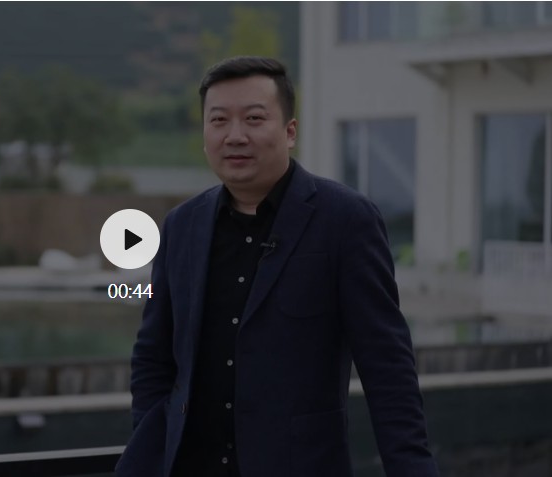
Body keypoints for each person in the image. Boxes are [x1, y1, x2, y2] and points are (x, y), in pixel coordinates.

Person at [115, 56, 439, 477]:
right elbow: (153, 355)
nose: (235, 136)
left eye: (254, 118)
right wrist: (150, 444)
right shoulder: (182, 225)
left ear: (290, 132)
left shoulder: (345, 220)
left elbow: (388, 367)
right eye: (219, 120)